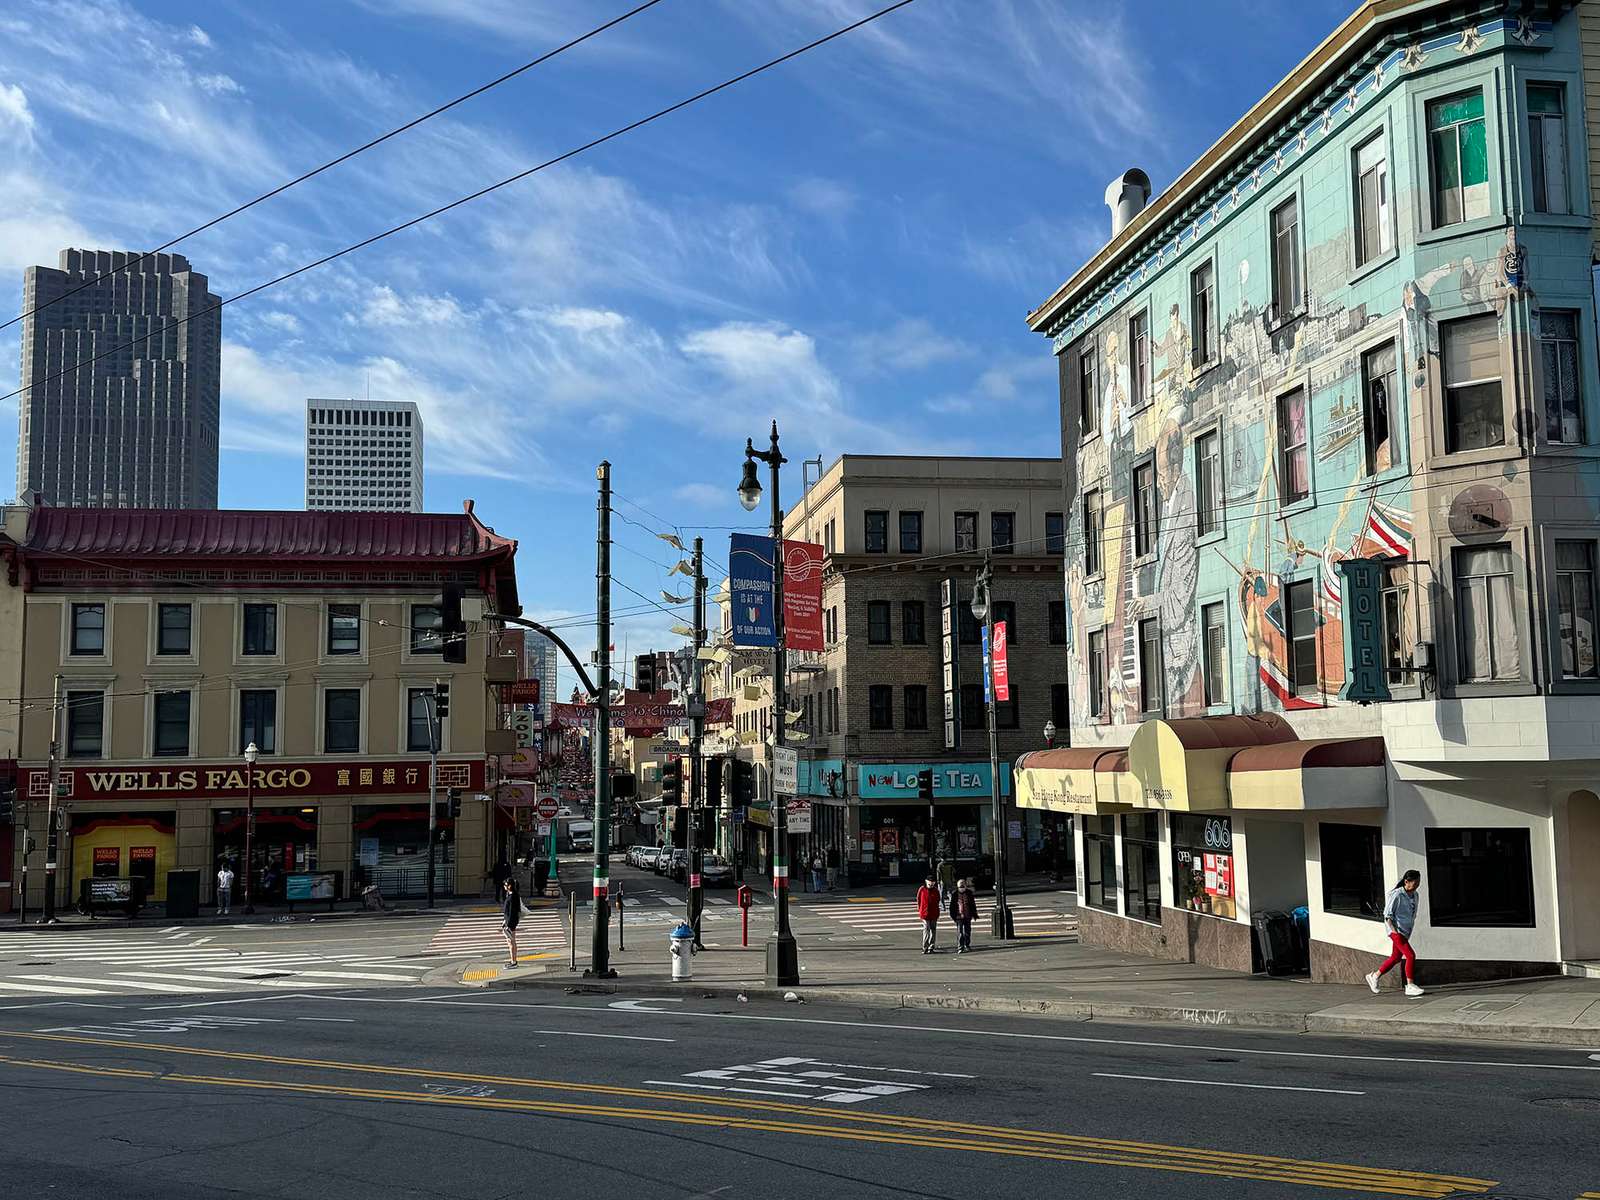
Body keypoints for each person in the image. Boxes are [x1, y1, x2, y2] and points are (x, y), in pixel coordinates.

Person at [1366, 869, 1425, 997]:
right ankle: (1410, 985)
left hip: (1406, 931)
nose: (1416, 886)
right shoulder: (1397, 895)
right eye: (1415, 883)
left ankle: (1374, 976)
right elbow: (1387, 915)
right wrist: (1394, 932)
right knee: (1410, 955)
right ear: (1406, 882)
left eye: (1418, 883)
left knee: (1396, 957)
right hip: (1396, 931)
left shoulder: (1415, 895)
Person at [951, 878, 978, 953]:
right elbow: (952, 906)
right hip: (958, 916)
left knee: (967, 931)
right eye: (960, 887)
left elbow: (972, 904)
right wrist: (953, 916)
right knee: (960, 932)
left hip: (967, 915)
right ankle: (960, 946)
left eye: (963, 886)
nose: (962, 888)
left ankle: (967, 944)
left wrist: (974, 914)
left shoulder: (969, 893)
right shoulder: (955, 894)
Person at [916, 875, 941, 954]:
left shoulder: (936, 890)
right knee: (926, 929)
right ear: (926, 882)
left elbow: (938, 900)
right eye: (929, 884)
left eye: (932, 884)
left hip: (934, 913)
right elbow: (918, 900)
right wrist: (920, 910)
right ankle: (925, 947)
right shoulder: (922, 889)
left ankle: (931, 946)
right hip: (925, 913)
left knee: (933, 930)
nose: (931, 886)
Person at [501, 876, 522, 968]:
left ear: (509, 886)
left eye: (505, 885)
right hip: (510, 922)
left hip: (511, 923)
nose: (504, 886)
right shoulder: (511, 895)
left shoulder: (512, 896)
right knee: (511, 941)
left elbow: (512, 912)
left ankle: (514, 962)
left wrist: (507, 924)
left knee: (511, 942)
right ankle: (513, 961)